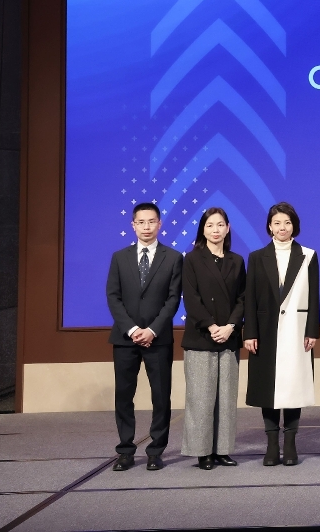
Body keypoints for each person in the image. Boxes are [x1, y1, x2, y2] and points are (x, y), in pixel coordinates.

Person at [105, 201, 183, 471]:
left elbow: (173, 299)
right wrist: (132, 329)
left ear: (160, 224)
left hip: (158, 339)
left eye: (151, 222)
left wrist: (151, 330)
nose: (146, 227)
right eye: (141, 222)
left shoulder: (173, 257)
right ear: (133, 225)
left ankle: (155, 451)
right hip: (124, 339)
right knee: (124, 395)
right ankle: (125, 450)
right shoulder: (119, 257)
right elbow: (113, 297)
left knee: (161, 396)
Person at [243, 202, 320, 466]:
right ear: (269, 227)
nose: (282, 227)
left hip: (297, 331)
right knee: (269, 388)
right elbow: (250, 298)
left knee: (293, 387)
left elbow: (314, 295)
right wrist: (250, 332)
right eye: (277, 223)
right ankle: (271, 445)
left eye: (287, 222)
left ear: (294, 225)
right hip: (265, 331)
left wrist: (312, 330)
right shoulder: (257, 257)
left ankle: (290, 444)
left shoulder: (308, 255)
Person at [180, 207, 246, 470]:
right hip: (201, 336)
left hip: (228, 336)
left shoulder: (237, 261)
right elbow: (191, 298)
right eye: (210, 225)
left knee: (226, 398)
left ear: (228, 228)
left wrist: (230, 326)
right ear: (202, 230)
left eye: (220, 225)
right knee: (201, 398)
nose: (215, 230)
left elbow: (243, 298)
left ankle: (222, 450)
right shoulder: (192, 259)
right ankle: (202, 452)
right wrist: (211, 326)